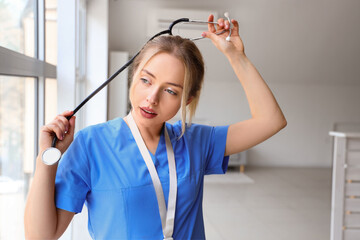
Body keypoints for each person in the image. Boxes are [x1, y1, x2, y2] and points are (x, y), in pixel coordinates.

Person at [24, 14, 286, 240]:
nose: (152, 98)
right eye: (146, 80)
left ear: (188, 100)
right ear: (133, 76)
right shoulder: (90, 144)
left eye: (170, 91)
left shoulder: (194, 141)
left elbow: (270, 120)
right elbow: (41, 236)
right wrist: (46, 160)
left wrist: (235, 56)